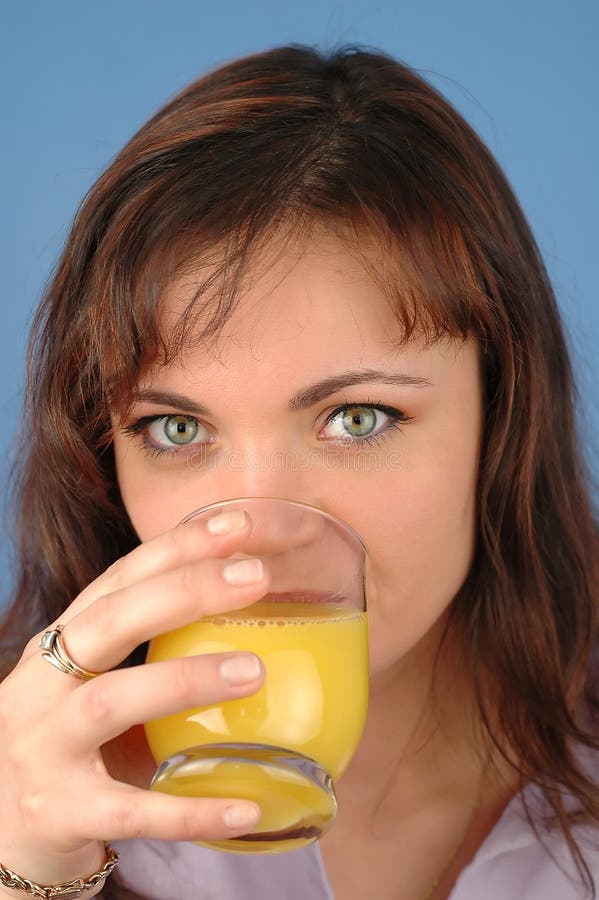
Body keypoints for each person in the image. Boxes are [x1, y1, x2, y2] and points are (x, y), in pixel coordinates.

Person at [0, 43, 597, 900]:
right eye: (175, 428)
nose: (254, 535)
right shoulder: (30, 794)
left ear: (501, 419)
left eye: (356, 419)